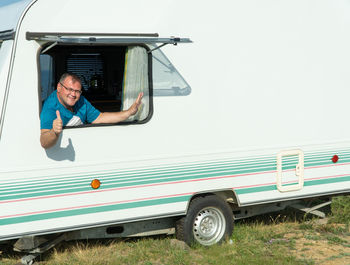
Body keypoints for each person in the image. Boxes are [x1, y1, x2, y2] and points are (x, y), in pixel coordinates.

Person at [40, 73, 143, 149]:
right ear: (59, 87)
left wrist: (129, 112)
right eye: (69, 89)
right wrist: (54, 132)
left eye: (77, 91)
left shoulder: (80, 100)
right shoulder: (50, 107)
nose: (73, 94)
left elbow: (100, 117)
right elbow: (44, 142)